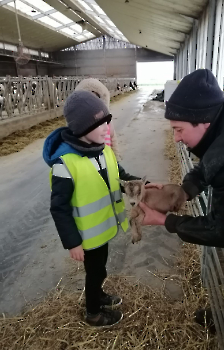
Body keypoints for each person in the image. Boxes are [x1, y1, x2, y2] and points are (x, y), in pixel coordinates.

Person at [139, 69, 224, 348]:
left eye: (179, 129)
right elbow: (214, 159)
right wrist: (182, 191)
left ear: (203, 122)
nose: (176, 139)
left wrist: (166, 221)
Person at [43, 90, 154, 327]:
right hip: (87, 236)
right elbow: (59, 208)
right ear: (82, 128)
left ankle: (99, 296)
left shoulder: (102, 150)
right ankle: (93, 313)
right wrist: (72, 242)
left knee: (100, 270)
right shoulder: (65, 164)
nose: (107, 128)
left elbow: (120, 176)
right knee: (94, 273)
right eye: (101, 123)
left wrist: (141, 184)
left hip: (103, 227)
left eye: (107, 121)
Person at [75, 78, 120, 159]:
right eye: (88, 98)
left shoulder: (107, 120)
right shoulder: (77, 123)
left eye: (96, 97)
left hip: (108, 162)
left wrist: (116, 159)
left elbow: (113, 138)